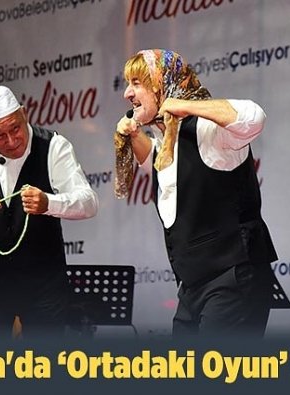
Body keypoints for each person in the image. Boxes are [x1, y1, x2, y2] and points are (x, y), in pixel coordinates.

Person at [114, 49, 278, 337]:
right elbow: (154, 163)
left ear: (163, 85)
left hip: (232, 279)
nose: (127, 93)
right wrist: (134, 134)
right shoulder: (166, 143)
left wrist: (187, 106)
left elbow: (255, 117)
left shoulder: (208, 130)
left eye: (136, 83)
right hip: (192, 289)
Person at [0, 85, 98, 338]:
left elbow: (88, 203)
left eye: (15, 128)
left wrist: (49, 203)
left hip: (44, 283)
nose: (11, 141)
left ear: (25, 114)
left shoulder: (53, 146)